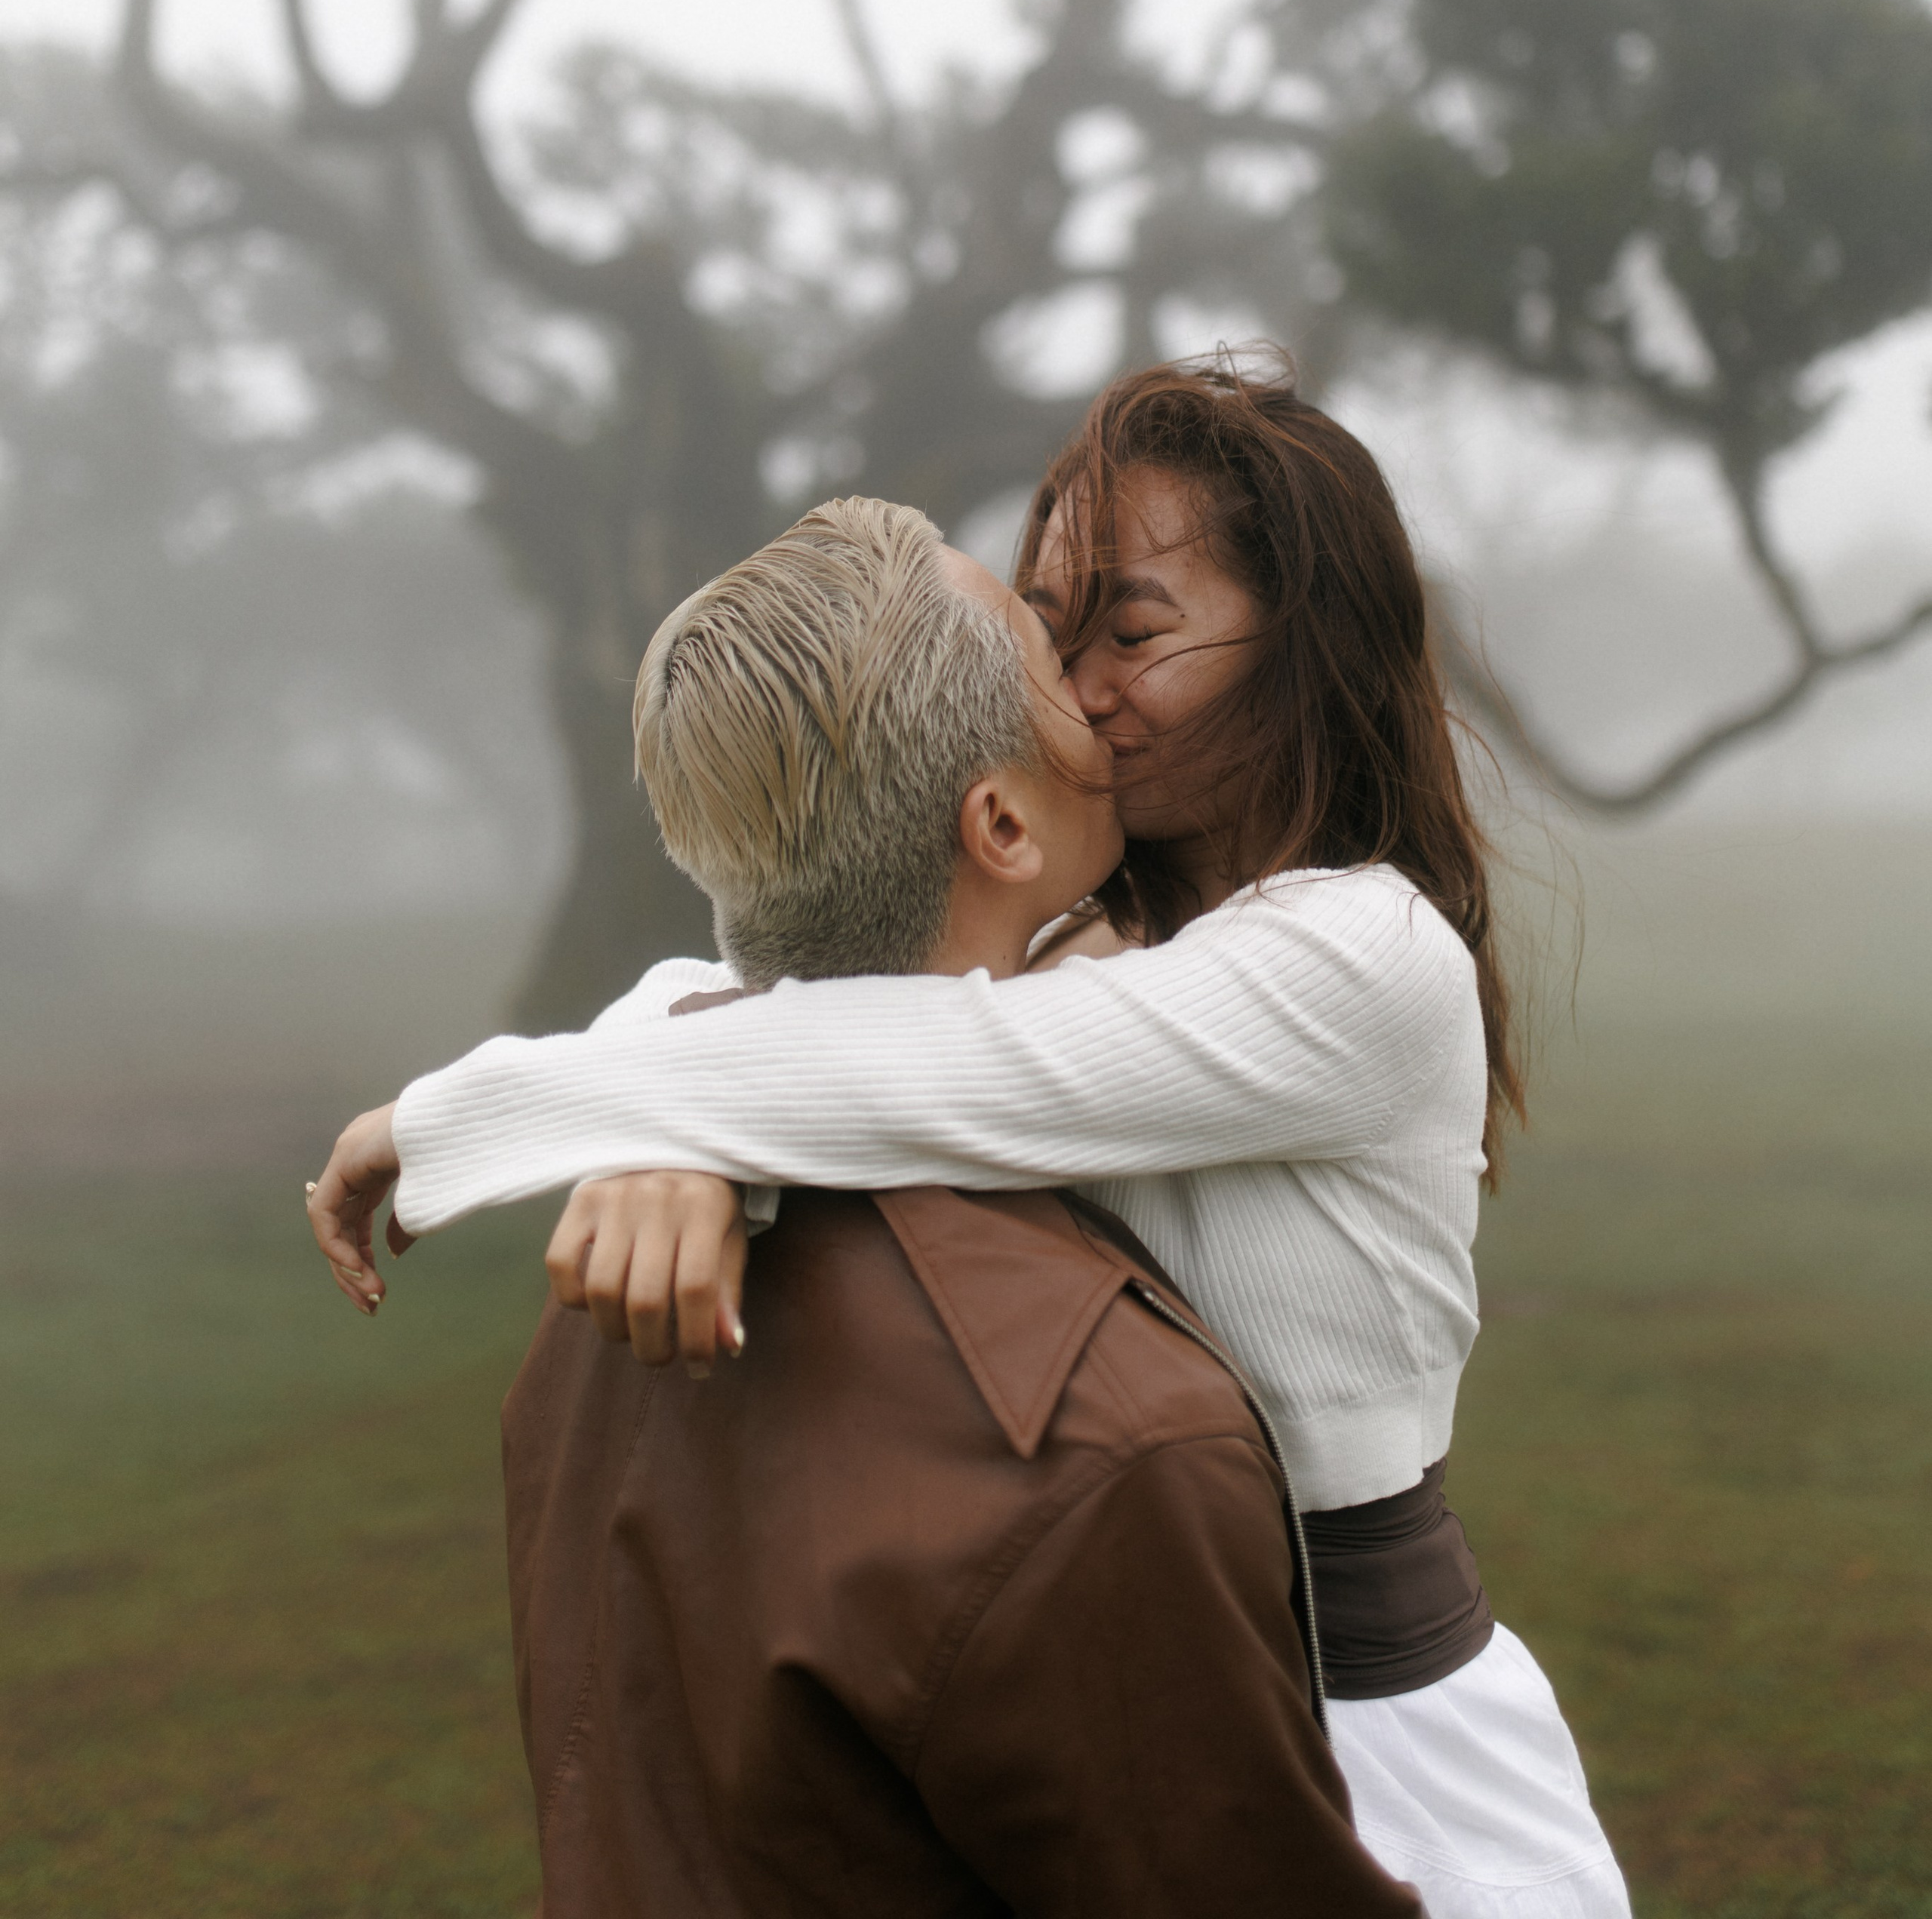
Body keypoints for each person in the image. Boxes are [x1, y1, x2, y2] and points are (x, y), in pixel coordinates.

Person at [310, 353, 1631, 1919]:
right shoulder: (1081, 929)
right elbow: (766, 996)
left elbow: (920, 1051)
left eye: (1130, 633)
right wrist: (677, 1147)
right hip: (1146, 1700)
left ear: (1304, 650)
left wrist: (464, 1117)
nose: (1070, 689)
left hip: (1394, 1748)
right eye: (1049, 623)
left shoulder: (1355, 962)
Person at [499, 495, 1421, 1914]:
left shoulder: (590, 1329)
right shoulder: (1106, 1441)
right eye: (1048, 660)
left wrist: (652, 1108)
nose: (1095, 695)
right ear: (996, 823)